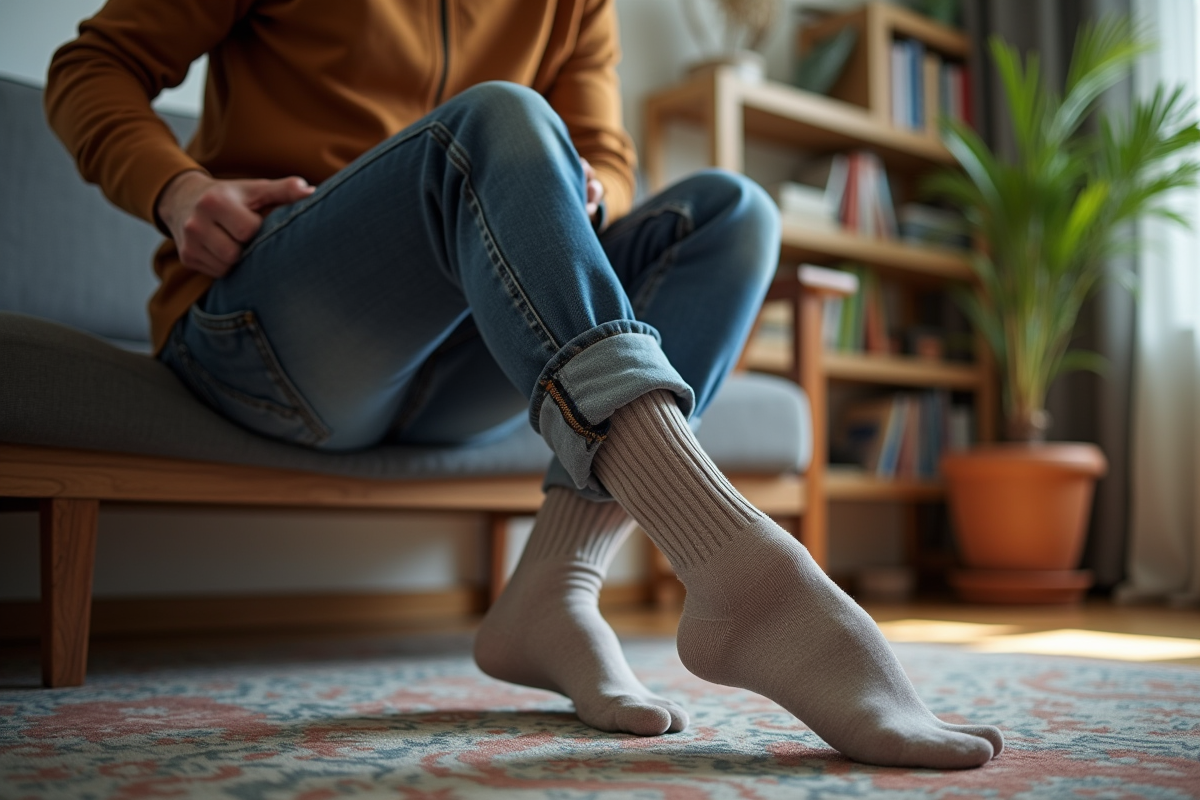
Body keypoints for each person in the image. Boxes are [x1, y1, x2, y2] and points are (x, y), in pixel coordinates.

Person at [46, 0, 1003, 769]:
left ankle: (556, 581)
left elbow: (610, 155)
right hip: (267, 331)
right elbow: (90, 66)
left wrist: (575, 189)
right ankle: (737, 568)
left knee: (731, 212)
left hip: (460, 365)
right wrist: (174, 189)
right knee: (497, 112)